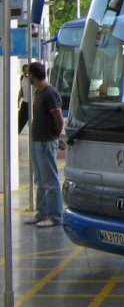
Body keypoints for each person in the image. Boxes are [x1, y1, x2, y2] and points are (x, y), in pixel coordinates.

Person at [24, 62, 66, 228]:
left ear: (33, 75)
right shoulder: (39, 92)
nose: (28, 77)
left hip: (45, 143)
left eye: (28, 74)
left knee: (50, 181)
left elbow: (58, 119)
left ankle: (55, 216)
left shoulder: (50, 93)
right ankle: (42, 213)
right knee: (40, 180)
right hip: (37, 141)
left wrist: (55, 137)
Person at [18, 64, 30, 133]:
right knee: (20, 121)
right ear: (23, 71)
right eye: (25, 70)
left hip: (32, 103)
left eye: (28, 70)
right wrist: (18, 99)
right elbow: (21, 89)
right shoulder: (22, 78)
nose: (27, 72)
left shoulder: (32, 78)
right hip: (25, 102)